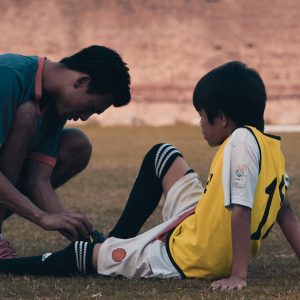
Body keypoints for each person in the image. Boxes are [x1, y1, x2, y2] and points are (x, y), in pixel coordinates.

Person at [0, 61, 299, 291]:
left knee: (85, 254)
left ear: (221, 117)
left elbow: (241, 210)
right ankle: (119, 240)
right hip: (202, 223)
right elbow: (284, 211)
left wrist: (238, 275)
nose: (199, 123)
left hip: (193, 254)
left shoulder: (240, 142)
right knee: (162, 155)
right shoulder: (271, 147)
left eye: (201, 114)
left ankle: (6, 267)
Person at [0, 45, 131, 258]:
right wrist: (41, 217)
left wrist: (80, 232)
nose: (85, 117)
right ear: (81, 81)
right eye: (91, 107)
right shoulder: (7, 75)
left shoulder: (54, 104)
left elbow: (38, 180)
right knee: (27, 114)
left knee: (77, 145)